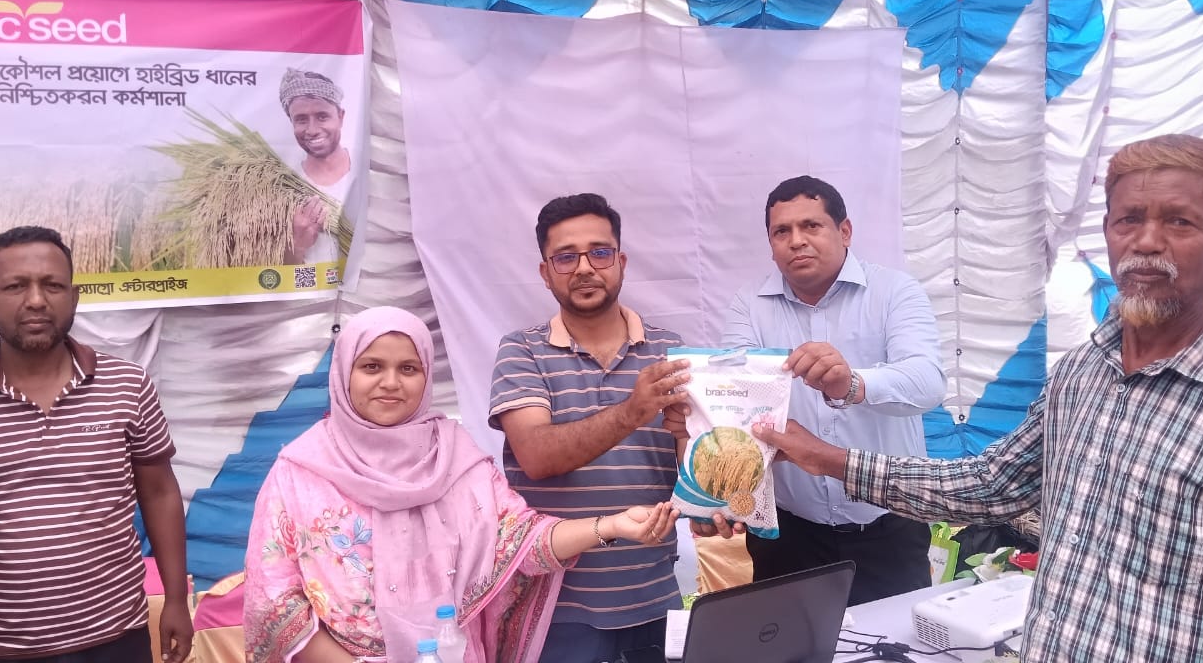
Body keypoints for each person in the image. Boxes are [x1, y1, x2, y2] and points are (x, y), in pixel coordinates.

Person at [752, 135, 1203, 661]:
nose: (1146, 241)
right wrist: (825, 458)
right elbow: (989, 486)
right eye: (1129, 220)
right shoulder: (1081, 374)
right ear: (1107, 232)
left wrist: (849, 397)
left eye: (1179, 222)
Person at [243, 306, 677, 663]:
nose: (391, 382)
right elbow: (275, 601)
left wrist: (613, 525)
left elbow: (520, 539)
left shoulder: (454, 456)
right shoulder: (300, 471)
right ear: (343, 373)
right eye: (372, 366)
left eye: (408, 368)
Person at [675, 175, 946, 605]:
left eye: (811, 226)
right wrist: (716, 493)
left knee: (894, 639)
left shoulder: (894, 291)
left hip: (887, 527)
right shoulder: (750, 304)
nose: (796, 240)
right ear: (771, 244)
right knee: (789, 641)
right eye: (781, 231)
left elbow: (928, 383)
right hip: (789, 534)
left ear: (845, 231)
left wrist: (852, 383)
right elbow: (734, 405)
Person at [488, 194, 691, 663]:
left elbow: (692, 468)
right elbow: (537, 457)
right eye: (566, 257)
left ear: (621, 262)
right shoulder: (521, 352)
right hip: (554, 608)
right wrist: (632, 411)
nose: (584, 268)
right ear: (545, 272)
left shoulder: (670, 351)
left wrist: (696, 450)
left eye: (599, 252)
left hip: (653, 595)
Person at [0, 226, 192, 662]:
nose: (35, 300)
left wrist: (176, 599)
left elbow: (159, 492)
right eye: (15, 286)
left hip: (115, 636)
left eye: (52, 285)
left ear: (74, 297)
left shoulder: (126, 385)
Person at [278, 68, 353, 265]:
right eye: (301, 120)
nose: (311, 130)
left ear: (340, 117)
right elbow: (277, 274)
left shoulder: (368, 173)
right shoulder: (283, 189)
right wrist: (297, 246)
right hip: (313, 286)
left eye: (322, 116)